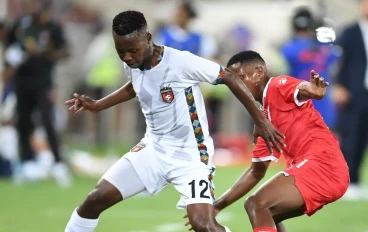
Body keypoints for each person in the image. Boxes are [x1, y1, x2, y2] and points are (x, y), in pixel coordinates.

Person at [64, 11, 285, 232]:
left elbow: (229, 76)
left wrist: (260, 118)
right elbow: (136, 85)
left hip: (191, 156)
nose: (128, 57)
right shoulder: (132, 62)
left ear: (148, 38)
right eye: (121, 52)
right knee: (94, 201)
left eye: (132, 50)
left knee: (203, 225)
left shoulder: (180, 62)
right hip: (153, 148)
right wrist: (98, 104)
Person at [184, 51, 349, 232]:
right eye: (231, 81)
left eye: (240, 78)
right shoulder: (264, 120)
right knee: (266, 212)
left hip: (323, 166)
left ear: (259, 72)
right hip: (321, 171)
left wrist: (312, 90)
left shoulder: (277, 85)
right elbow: (256, 172)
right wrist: (217, 206)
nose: (235, 85)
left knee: (257, 203)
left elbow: (301, 89)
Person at [4, 0, 70, 186]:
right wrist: (14, 60)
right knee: (23, 122)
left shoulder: (51, 26)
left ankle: (58, 164)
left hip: (43, 82)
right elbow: (9, 50)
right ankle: (27, 163)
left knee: (47, 121)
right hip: (22, 82)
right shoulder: (19, 26)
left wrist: (45, 54)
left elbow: (64, 50)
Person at [281, 7, 340, 129]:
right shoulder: (326, 49)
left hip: (298, 105)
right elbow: (340, 58)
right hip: (323, 104)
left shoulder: (287, 49)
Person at [333, 0, 368, 200]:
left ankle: (358, 181)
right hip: (354, 93)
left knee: (363, 139)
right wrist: (338, 85)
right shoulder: (350, 32)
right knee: (351, 137)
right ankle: (348, 182)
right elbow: (338, 61)